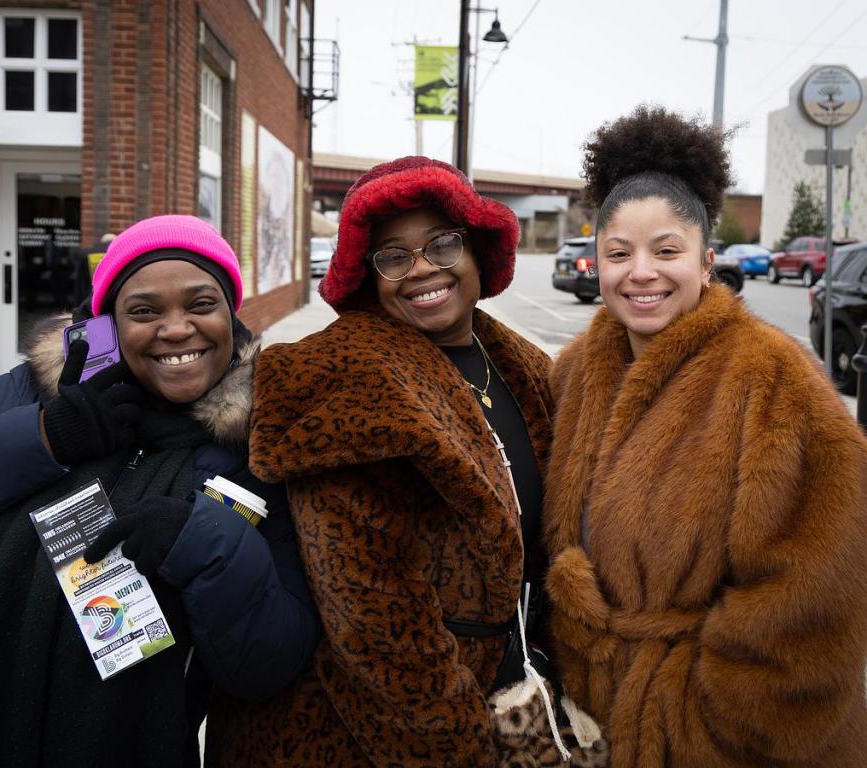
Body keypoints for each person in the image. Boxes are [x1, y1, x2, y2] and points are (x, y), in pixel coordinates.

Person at [0, 214, 320, 768]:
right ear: (109, 324)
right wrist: (45, 436)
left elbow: (269, 664)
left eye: (200, 304)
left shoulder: (260, 448)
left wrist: (201, 542)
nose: (175, 328)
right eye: (144, 310)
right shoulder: (25, 398)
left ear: (231, 318)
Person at [203, 156, 558, 767]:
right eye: (393, 255)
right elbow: (374, 621)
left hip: (498, 686)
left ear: (477, 251)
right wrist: (460, 747)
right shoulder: (342, 379)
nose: (421, 268)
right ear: (368, 276)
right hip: (363, 732)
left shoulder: (519, 363)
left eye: (442, 244)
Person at [543, 106, 867, 767]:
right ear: (596, 259)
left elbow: (813, 600)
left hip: (718, 743)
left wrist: (699, 730)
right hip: (596, 726)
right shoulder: (574, 370)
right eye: (618, 253)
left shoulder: (776, 383)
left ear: (706, 260)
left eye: (667, 251)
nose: (641, 272)